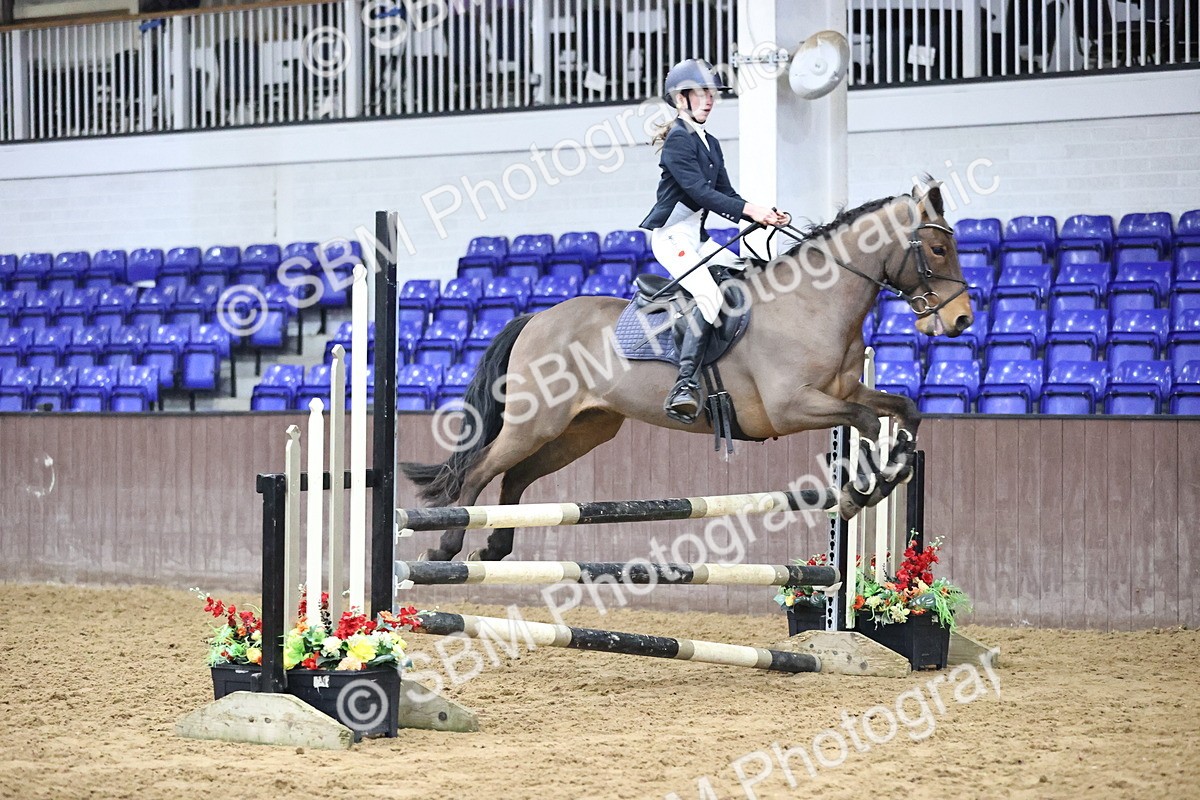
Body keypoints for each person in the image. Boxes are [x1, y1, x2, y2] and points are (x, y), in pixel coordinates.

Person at [640, 58, 790, 425]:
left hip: (697, 237)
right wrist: (751, 210)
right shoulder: (678, 139)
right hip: (672, 238)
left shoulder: (710, 142)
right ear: (681, 98)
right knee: (709, 296)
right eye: (701, 93)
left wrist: (763, 214)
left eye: (711, 93)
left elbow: (725, 192)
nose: (709, 99)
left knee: (746, 275)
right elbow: (700, 193)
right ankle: (684, 384)